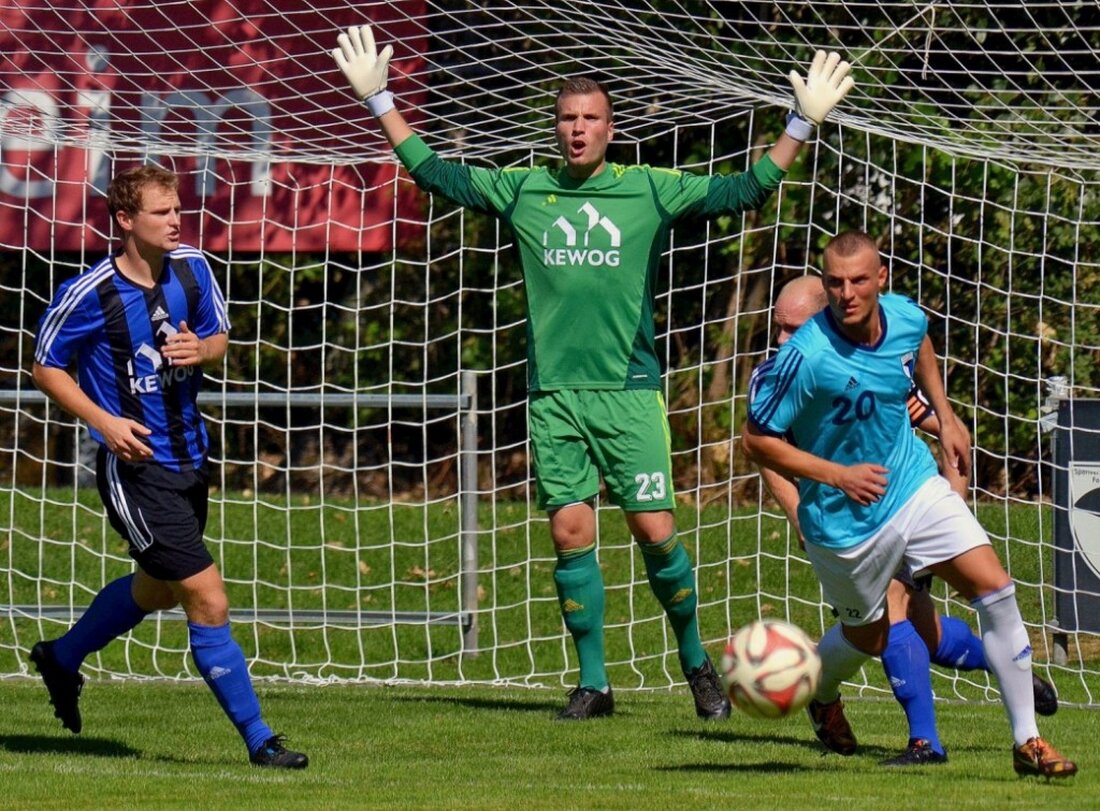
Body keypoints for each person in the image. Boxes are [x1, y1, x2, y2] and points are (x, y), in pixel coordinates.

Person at [332, 25, 852, 720]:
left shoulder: (648, 190)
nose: (578, 131)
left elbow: (744, 191)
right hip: (555, 396)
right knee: (570, 532)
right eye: (568, 120)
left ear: (610, 129)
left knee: (655, 530)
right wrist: (380, 99)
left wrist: (801, 121)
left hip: (629, 393)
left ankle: (696, 659)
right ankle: (594, 681)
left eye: (590, 120)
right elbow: (436, 173)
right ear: (556, 128)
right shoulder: (524, 189)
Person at [741, 230, 1075, 778]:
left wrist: (946, 418)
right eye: (836, 282)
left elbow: (919, 343)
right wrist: (837, 475)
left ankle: (1027, 742)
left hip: (912, 486)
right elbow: (757, 441)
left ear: (881, 279)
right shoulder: (805, 357)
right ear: (827, 286)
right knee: (870, 636)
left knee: (995, 588)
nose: (847, 293)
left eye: (858, 281)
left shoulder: (905, 315)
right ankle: (822, 691)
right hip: (843, 524)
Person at [30, 165, 308, 769]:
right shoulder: (88, 292)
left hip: (190, 457)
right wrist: (103, 422)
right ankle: (261, 742)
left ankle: (62, 656)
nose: (176, 220)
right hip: (134, 468)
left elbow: (219, 338)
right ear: (125, 221)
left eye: (177, 209)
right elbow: (45, 367)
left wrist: (199, 348)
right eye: (161, 212)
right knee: (207, 596)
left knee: (158, 589)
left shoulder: (194, 269)